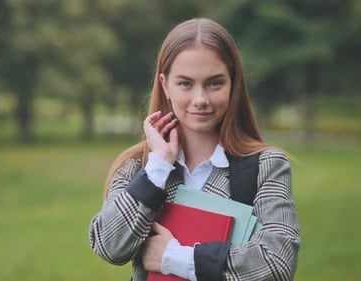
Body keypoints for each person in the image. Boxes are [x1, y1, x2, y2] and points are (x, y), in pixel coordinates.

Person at [89, 17, 300, 281]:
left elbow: (277, 264)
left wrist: (174, 258)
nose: (201, 99)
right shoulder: (139, 166)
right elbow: (109, 247)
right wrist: (158, 168)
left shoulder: (267, 165)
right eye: (185, 83)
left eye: (215, 83)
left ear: (233, 83)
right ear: (165, 85)